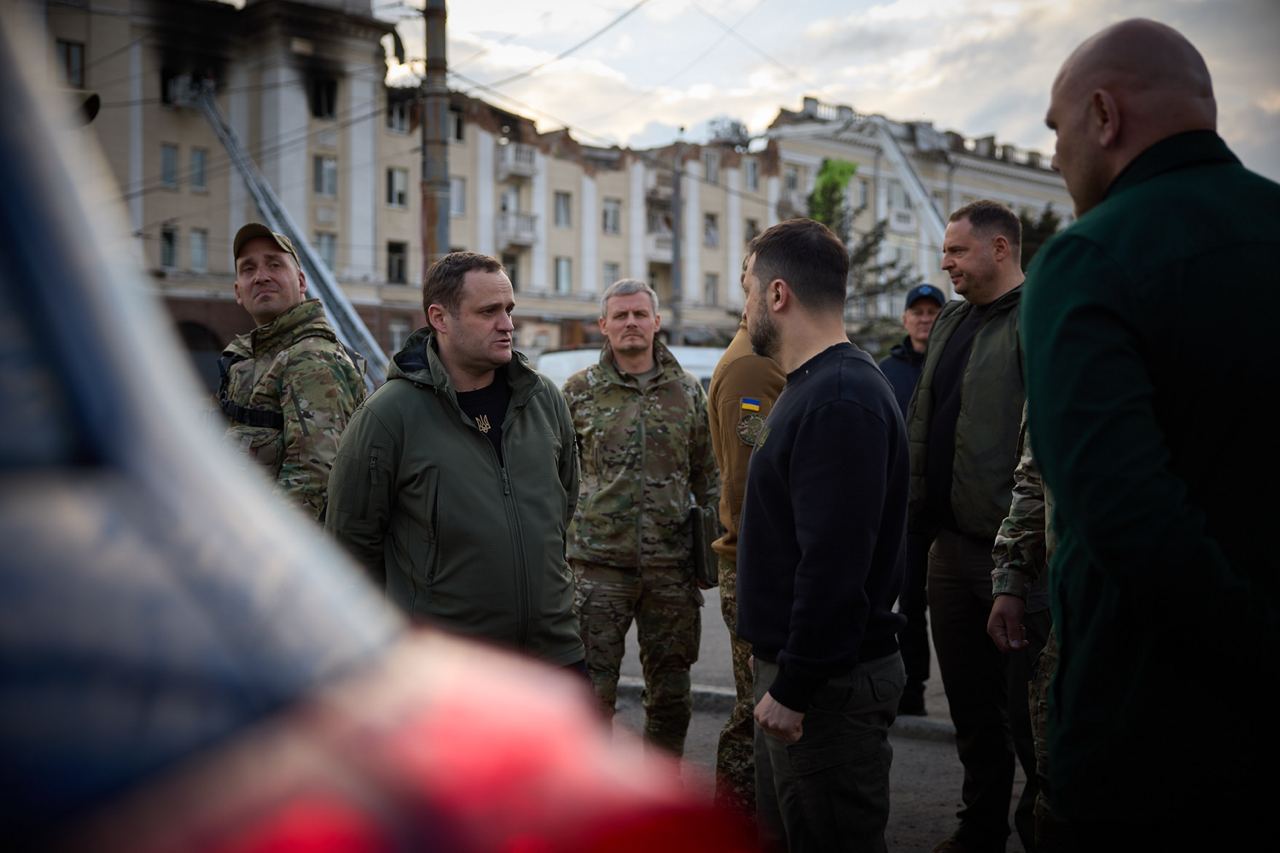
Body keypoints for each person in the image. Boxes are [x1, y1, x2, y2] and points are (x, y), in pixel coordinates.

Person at [1024, 18, 1279, 844]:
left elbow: (1127, 516)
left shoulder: (1088, 258)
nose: (1057, 155)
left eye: (1058, 129)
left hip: (1155, 729)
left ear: (1104, 115)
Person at [737, 218, 908, 852]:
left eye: (746, 287)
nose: (743, 304)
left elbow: (834, 566)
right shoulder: (817, 387)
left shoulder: (838, 397)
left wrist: (794, 686)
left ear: (777, 295)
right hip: (809, 680)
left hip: (824, 690)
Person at [325, 252, 584, 669]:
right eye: (489, 312)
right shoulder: (388, 416)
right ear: (440, 319)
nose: (508, 324)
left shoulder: (543, 400)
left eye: (509, 310)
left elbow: (561, 505)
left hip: (554, 654)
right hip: (448, 669)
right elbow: (351, 545)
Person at [905, 200, 1048, 853]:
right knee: (968, 703)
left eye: (957, 251)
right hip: (949, 548)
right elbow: (923, 419)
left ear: (999, 248)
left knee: (1032, 715)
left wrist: (1017, 566)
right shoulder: (952, 320)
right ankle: (981, 824)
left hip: (1015, 556)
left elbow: (1042, 449)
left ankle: (1045, 828)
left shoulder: (1041, 320)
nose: (945, 262)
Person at [562, 279, 718, 756]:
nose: (631, 322)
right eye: (621, 315)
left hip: (671, 569)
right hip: (597, 570)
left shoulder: (688, 391)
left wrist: (717, 547)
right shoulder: (578, 392)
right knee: (590, 699)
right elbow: (553, 476)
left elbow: (707, 475)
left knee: (671, 694)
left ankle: (660, 797)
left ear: (656, 321)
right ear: (603, 326)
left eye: (639, 314)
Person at [218, 223, 365, 521]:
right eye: (248, 269)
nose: (261, 276)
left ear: (301, 281)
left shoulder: (313, 359)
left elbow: (312, 481)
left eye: (274, 264)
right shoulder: (250, 357)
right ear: (238, 291)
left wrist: (254, 551)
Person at [706, 284, 786, 812]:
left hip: (761, 563)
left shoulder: (764, 359)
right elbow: (746, 481)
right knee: (753, 712)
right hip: (756, 565)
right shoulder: (752, 369)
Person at [985, 410, 1064, 852]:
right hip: (1077, 618)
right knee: (1056, 785)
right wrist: (1011, 580)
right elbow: (1034, 482)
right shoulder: (1062, 355)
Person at [879, 282, 946, 717]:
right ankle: (913, 692)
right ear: (905, 320)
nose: (924, 318)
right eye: (917, 312)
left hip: (951, 509)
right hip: (905, 510)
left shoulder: (958, 362)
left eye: (932, 311)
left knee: (958, 605)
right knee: (910, 603)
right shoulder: (886, 370)